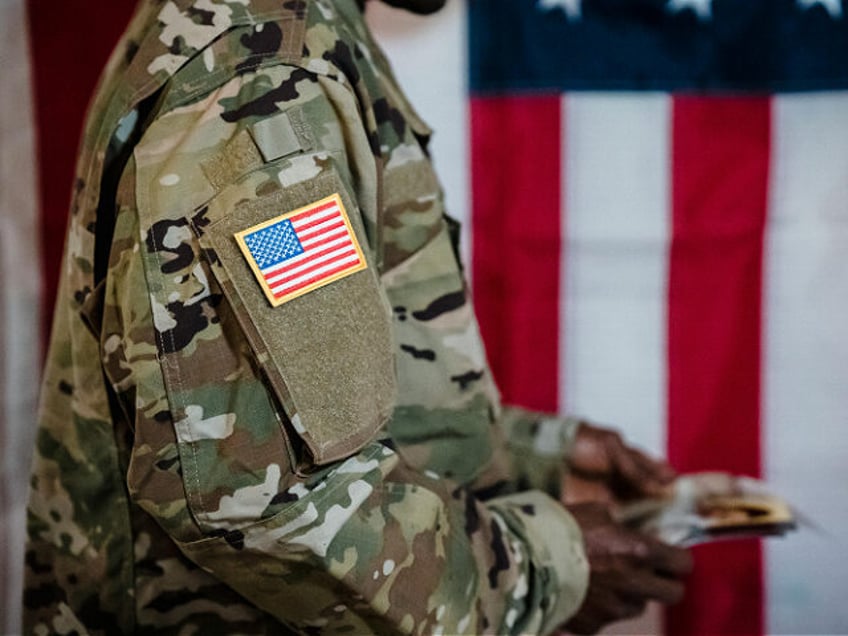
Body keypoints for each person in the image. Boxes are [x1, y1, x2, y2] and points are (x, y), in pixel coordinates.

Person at [23, 0, 691, 633]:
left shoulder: (288, 35)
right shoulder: (262, 85)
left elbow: (303, 397)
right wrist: (548, 565)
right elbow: (267, 496)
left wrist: (528, 457)